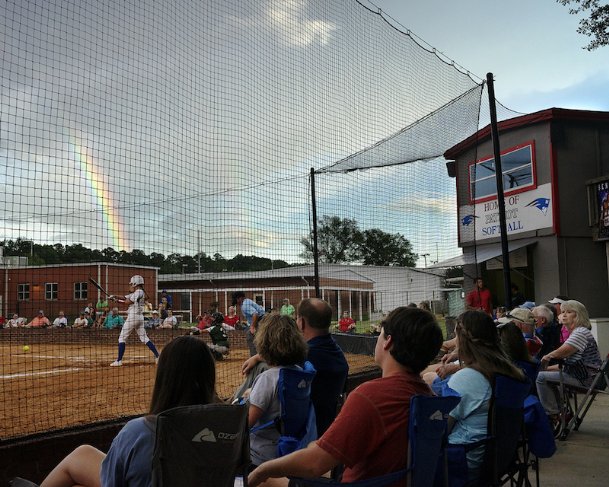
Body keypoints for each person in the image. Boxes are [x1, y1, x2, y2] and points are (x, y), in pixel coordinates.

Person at [248, 307, 443, 487]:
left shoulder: (371, 396)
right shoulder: (427, 394)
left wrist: (264, 469)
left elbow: (315, 465)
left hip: (358, 482)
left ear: (388, 341)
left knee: (267, 481)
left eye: (380, 333)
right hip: (393, 480)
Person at [38, 336, 217, 487]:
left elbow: (113, 481)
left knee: (81, 456)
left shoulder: (139, 431)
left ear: (164, 378)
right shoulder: (227, 428)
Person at [240, 298, 349, 437]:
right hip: (327, 427)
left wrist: (252, 391)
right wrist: (257, 357)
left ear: (301, 323)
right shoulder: (338, 356)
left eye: (297, 318)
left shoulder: (302, 360)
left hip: (302, 434)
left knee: (262, 371)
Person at [443, 311, 525, 481]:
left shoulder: (467, 377)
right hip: (496, 461)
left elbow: (441, 428)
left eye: (455, 335)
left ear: (463, 340)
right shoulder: (509, 372)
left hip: (463, 463)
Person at [248, 314, 309, 468]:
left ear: (264, 344)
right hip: (291, 450)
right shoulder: (299, 372)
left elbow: (246, 423)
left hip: (262, 456)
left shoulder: (267, 379)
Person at [536, 300, 602, 423]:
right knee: (543, 374)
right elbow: (567, 365)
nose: (564, 315)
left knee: (541, 377)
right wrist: (545, 368)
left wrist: (547, 357)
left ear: (578, 315)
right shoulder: (577, 332)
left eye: (569, 312)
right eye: (563, 312)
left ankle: (552, 415)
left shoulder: (580, 332)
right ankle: (562, 412)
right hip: (583, 375)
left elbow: (563, 352)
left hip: (586, 379)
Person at [109, 275, 160, 367]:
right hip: (139, 317)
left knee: (122, 338)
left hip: (133, 317)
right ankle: (157, 356)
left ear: (135, 283)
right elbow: (125, 297)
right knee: (144, 338)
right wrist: (115, 296)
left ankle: (119, 360)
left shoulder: (138, 292)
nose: (131, 285)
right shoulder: (140, 292)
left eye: (132, 284)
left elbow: (128, 302)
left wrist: (116, 301)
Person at [232, 291, 265, 356]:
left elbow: (255, 314)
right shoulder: (247, 301)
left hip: (262, 321)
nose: (235, 302)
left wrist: (252, 326)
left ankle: (255, 356)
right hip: (263, 320)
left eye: (236, 299)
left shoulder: (245, 305)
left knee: (250, 335)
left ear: (240, 298)